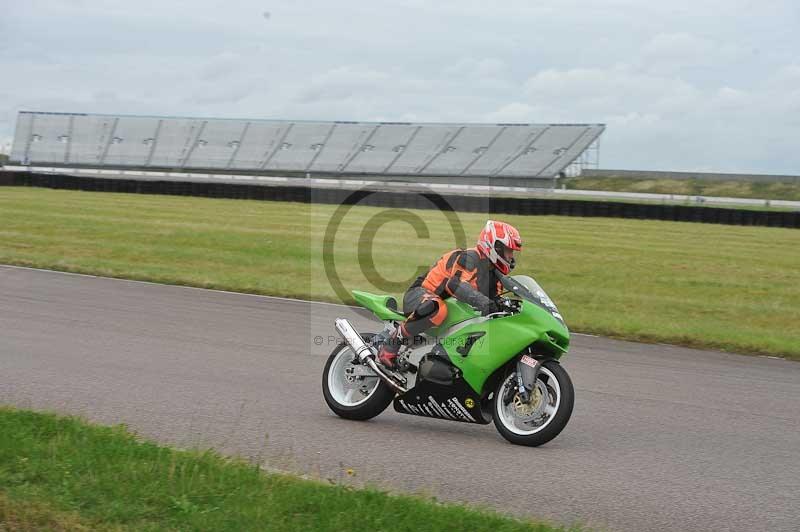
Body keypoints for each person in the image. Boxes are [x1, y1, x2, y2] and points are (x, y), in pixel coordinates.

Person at [376, 220, 522, 369]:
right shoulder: (470, 257)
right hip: (421, 295)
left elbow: (495, 300)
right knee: (437, 308)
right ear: (495, 246)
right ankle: (391, 345)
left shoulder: (495, 274)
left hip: (447, 307)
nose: (511, 256)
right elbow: (455, 285)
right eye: (508, 251)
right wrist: (485, 303)